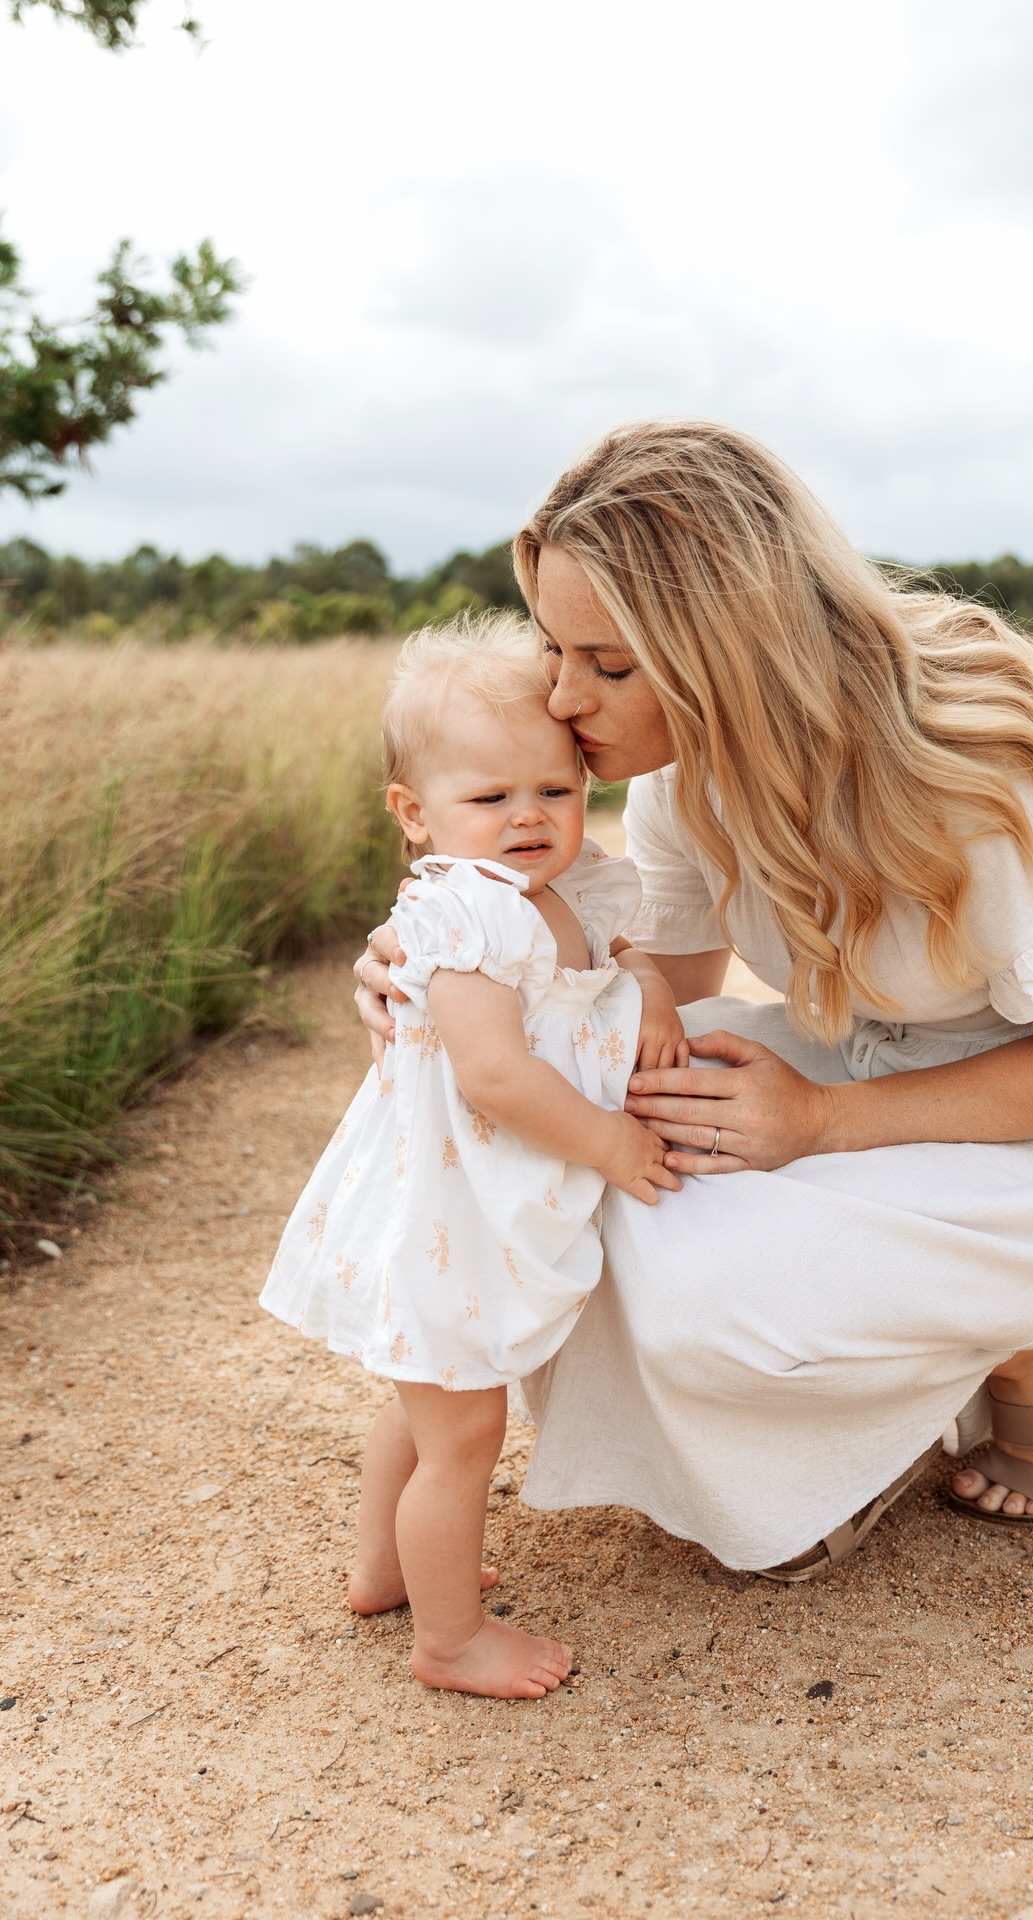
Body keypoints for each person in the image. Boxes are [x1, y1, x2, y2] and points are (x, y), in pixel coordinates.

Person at [354, 421, 1033, 1580]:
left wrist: (817, 1127)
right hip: (878, 1058)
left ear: (727, 647)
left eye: (608, 664)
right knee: (562, 1164)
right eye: (557, 652)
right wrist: (454, 965)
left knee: (711, 1301)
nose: (564, 699)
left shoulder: (962, 769)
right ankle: (824, 1436)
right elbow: (654, 1001)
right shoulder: (685, 778)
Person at [263, 616, 685, 1692]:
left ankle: (383, 1568)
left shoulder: (569, 892)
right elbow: (495, 1076)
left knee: (421, 1404)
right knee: (461, 1436)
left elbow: (627, 956)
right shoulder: (465, 915)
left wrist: (655, 995)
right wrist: (612, 1141)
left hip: (479, 1206)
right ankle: (449, 1641)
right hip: (453, 1214)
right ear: (416, 816)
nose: (529, 818)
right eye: (489, 799)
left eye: (554, 789)